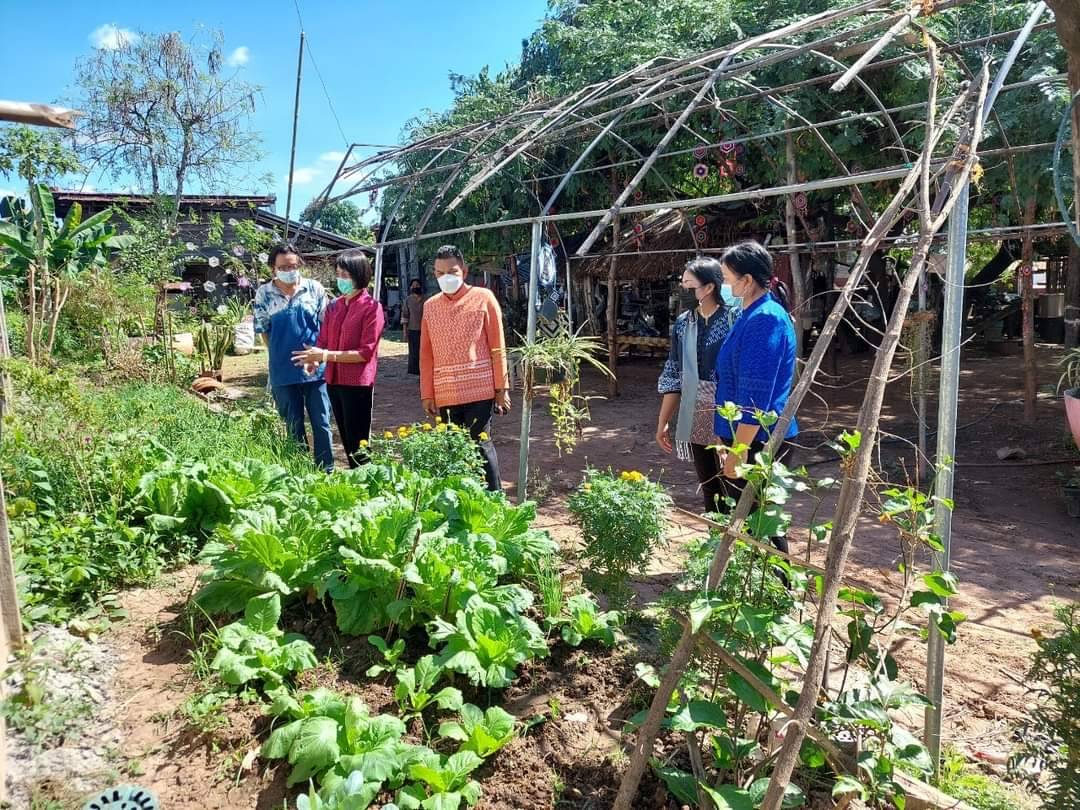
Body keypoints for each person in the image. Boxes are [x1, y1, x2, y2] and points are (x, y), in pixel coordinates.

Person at [713, 240, 799, 551]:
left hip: (759, 440)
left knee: (761, 528)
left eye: (726, 279)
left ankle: (780, 580)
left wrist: (739, 451)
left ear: (747, 280)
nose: (723, 286)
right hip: (746, 436)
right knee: (749, 525)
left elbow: (755, 397)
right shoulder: (751, 314)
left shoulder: (765, 319)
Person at [419, 244, 510, 491]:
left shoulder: (483, 298)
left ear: (465, 271)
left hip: (480, 389)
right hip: (446, 391)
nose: (446, 277)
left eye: (452, 272)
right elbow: (425, 354)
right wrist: (427, 393)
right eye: (440, 273)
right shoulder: (430, 306)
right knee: (454, 449)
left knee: (481, 445)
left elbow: (497, 345)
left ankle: (495, 500)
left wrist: (501, 388)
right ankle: (463, 501)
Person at [656, 257, 739, 512]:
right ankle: (715, 533)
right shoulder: (683, 323)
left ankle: (738, 535)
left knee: (735, 484)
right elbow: (674, 371)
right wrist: (663, 422)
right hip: (695, 409)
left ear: (709, 287)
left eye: (689, 284)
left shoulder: (734, 319)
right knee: (709, 485)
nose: (683, 289)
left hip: (730, 411)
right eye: (682, 283)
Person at [292, 249, 385, 468]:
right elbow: (323, 340)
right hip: (334, 380)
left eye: (345, 275)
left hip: (357, 383)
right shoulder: (334, 306)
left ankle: (366, 478)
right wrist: (314, 359)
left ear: (359, 275)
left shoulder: (371, 307)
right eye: (338, 274)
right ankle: (357, 477)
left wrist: (324, 355)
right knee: (345, 436)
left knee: (358, 439)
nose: (340, 279)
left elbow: (365, 352)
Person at [253, 243, 334, 472]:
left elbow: (327, 326)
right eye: (283, 267)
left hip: (315, 368)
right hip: (283, 369)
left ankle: (326, 471)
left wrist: (318, 355)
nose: (289, 270)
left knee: (322, 422)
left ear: (299, 264)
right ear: (273, 268)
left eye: (293, 266)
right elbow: (263, 330)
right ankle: (300, 472)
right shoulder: (264, 293)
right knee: (293, 424)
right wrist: (278, 353)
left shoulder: (315, 289)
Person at [401, 279, 424, 375]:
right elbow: (405, 316)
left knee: (424, 350)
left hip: (424, 330)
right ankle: (414, 369)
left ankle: (423, 368)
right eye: (413, 285)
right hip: (412, 329)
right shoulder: (408, 300)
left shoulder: (426, 299)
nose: (415, 287)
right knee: (413, 351)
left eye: (417, 285)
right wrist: (405, 333)